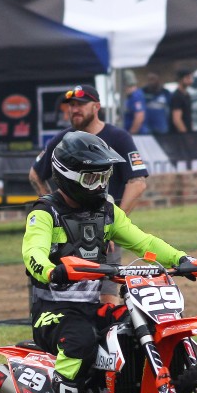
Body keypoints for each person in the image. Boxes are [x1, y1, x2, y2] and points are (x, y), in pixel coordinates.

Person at [22, 130, 192, 393]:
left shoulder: (107, 211)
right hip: (53, 312)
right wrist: (52, 271)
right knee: (81, 341)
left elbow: (144, 242)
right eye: (92, 178)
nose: (100, 185)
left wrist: (181, 259)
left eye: (104, 176)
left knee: (141, 335)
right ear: (68, 176)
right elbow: (33, 254)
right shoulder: (45, 213)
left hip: (92, 307)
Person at [28, 84, 148, 305]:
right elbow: (35, 174)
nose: (74, 109)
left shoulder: (118, 137)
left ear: (97, 106)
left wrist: (110, 224)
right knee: (68, 298)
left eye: (81, 105)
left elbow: (137, 182)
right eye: (71, 105)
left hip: (105, 230)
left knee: (107, 298)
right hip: (68, 232)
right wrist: (53, 206)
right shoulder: (62, 140)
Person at [170, 69, 193, 133]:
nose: (191, 81)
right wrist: (186, 135)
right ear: (180, 79)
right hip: (180, 135)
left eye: (191, 78)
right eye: (188, 78)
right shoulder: (177, 96)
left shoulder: (187, 95)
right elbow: (177, 120)